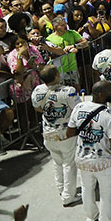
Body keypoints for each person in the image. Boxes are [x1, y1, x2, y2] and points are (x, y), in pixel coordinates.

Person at [66, 80, 111, 221]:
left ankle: (92, 219)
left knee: (87, 190)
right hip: (104, 162)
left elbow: (69, 133)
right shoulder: (110, 115)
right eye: (110, 90)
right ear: (100, 95)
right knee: (106, 194)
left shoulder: (79, 107)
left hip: (82, 159)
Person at [31, 64, 80, 207]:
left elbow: (36, 107)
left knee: (57, 161)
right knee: (69, 164)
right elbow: (77, 109)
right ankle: (68, 196)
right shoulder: (68, 91)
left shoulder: (37, 91)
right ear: (57, 76)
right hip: (66, 133)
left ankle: (61, 188)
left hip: (48, 132)